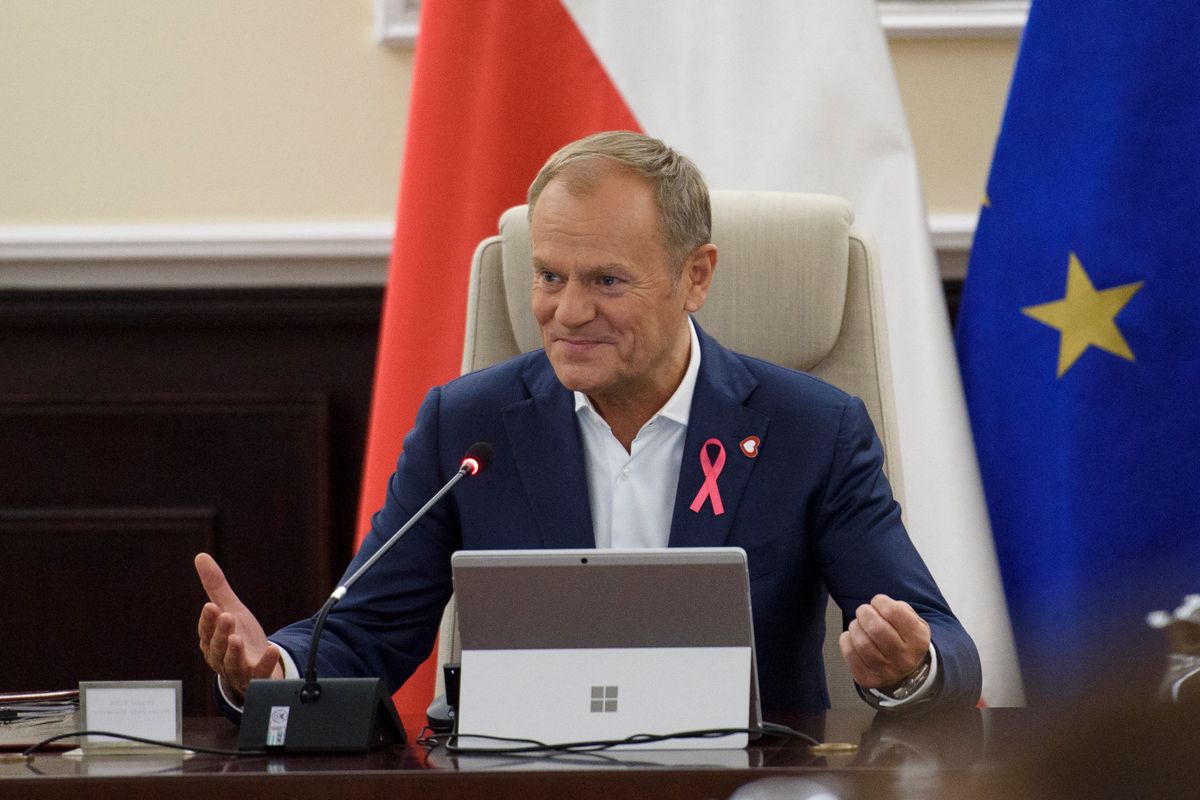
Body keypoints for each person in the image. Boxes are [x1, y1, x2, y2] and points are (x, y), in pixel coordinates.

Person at [196, 131, 981, 717]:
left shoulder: (811, 428)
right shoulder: (467, 429)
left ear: (695, 276)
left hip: (739, 786)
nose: (568, 313)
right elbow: (362, 635)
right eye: (548, 277)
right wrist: (272, 673)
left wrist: (906, 665)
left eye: (607, 280)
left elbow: (946, 648)